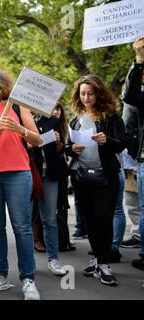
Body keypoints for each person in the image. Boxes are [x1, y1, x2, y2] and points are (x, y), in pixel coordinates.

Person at [0, 70, 43, 300]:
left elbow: (37, 139)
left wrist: (19, 129)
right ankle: (0, 275)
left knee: (22, 228)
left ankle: (28, 279)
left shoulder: (17, 107)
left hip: (18, 175)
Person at [66, 75, 125, 285]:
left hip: (106, 177)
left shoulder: (110, 116)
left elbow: (121, 144)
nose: (86, 97)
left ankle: (104, 263)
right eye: (82, 93)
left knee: (103, 218)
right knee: (90, 220)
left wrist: (105, 140)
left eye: (90, 93)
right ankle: (97, 260)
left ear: (98, 93)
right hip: (82, 177)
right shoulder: (75, 118)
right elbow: (67, 145)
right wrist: (71, 148)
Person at [31, 106, 68, 276]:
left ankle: (53, 260)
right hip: (29, 175)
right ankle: (27, 263)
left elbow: (60, 150)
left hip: (49, 175)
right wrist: (34, 141)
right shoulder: (24, 119)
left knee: (50, 219)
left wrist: (59, 142)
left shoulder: (52, 121)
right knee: (24, 220)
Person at [122, 36, 144, 271]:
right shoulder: (134, 97)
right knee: (133, 202)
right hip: (135, 153)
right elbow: (130, 95)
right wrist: (138, 61)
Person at [52, 104, 75, 252]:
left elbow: (66, 148)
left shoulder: (66, 126)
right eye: (53, 109)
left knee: (62, 206)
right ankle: (57, 240)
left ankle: (64, 239)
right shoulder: (46, 124)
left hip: (63, 169)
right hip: (52, 169)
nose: (55, 112)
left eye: (58, 109)